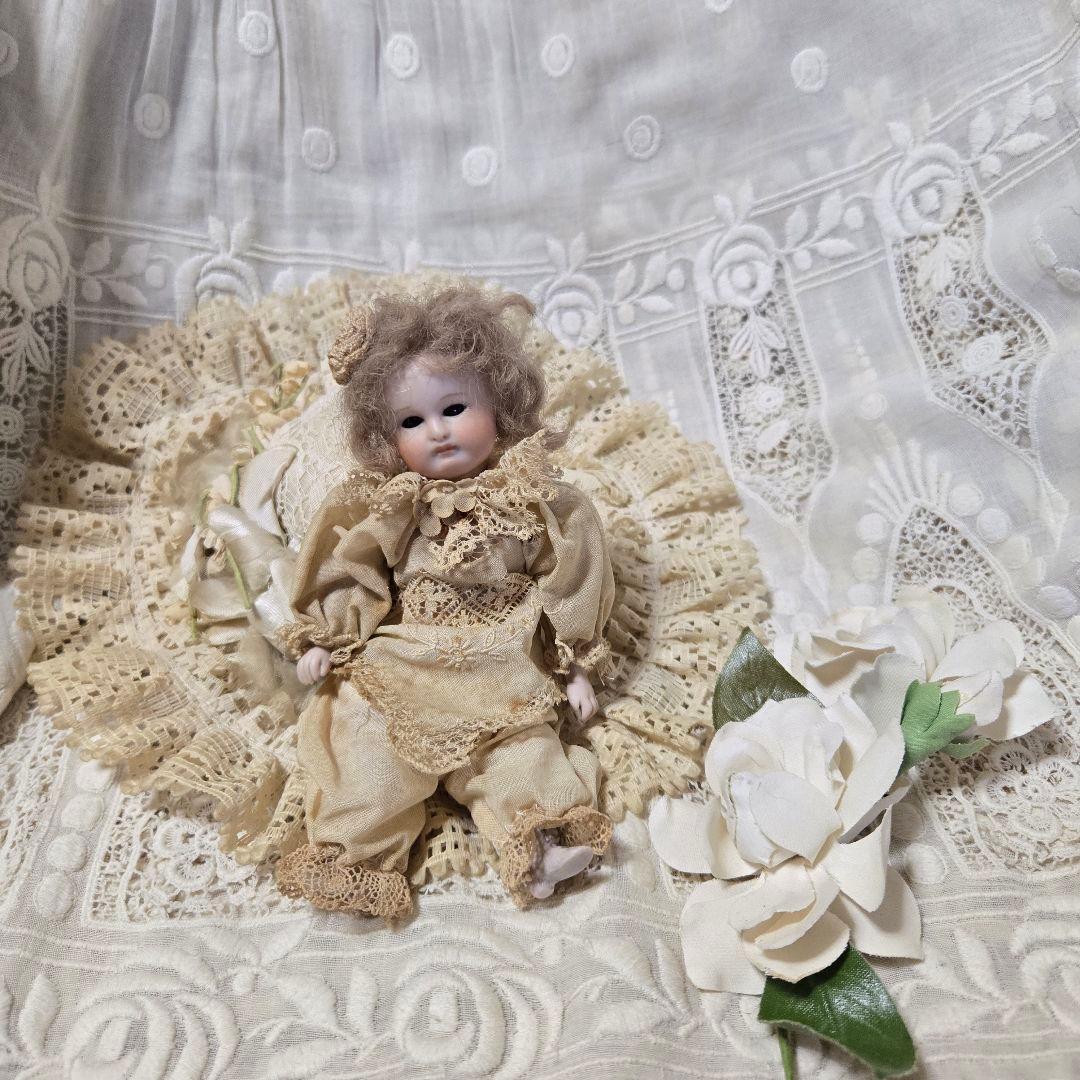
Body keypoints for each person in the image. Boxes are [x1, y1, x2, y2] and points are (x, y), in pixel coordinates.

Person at [274, 281, 616, 920]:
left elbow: (568, 575)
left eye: (455, 408)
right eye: (411, 421)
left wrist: (572, 661)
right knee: (369, 740)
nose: (436, 431)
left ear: (500, 402)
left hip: (503, 666)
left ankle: (542, 840)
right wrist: (328, 636)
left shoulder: (535, 498)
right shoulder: (391, 505)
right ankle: (357, 856)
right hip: (405, 661)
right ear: (386, 437)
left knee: (521, 749)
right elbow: (353, 568)